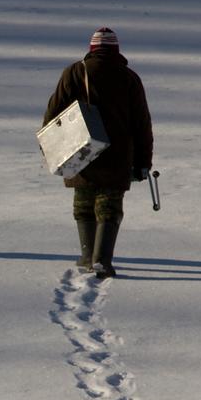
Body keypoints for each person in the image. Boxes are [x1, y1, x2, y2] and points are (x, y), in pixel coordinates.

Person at [43, 26, 153, 280]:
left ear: (92, 49)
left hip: (80, 148)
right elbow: (142, 124)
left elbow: (53, 113)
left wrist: (50, 146)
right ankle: (102, 259)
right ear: (116, 50)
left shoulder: (75, 72)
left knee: (84, 204)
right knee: (109, 206)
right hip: (118, 154)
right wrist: (143, 162)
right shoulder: (129, 78)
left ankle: (86, 256)